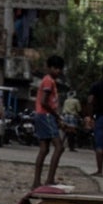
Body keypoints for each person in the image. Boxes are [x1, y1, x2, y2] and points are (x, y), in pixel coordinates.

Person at [29, 57, 67, 189]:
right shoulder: (48, 81)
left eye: (59, 69)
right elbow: (44, 101)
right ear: (49, 68)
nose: (57, 71)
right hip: (46, 115)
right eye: (55, 68)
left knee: (44, 149)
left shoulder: (49, 81)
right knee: (59, 147)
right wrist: (56, 115)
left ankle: (36, 182)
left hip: (42, 115)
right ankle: (49, 179)